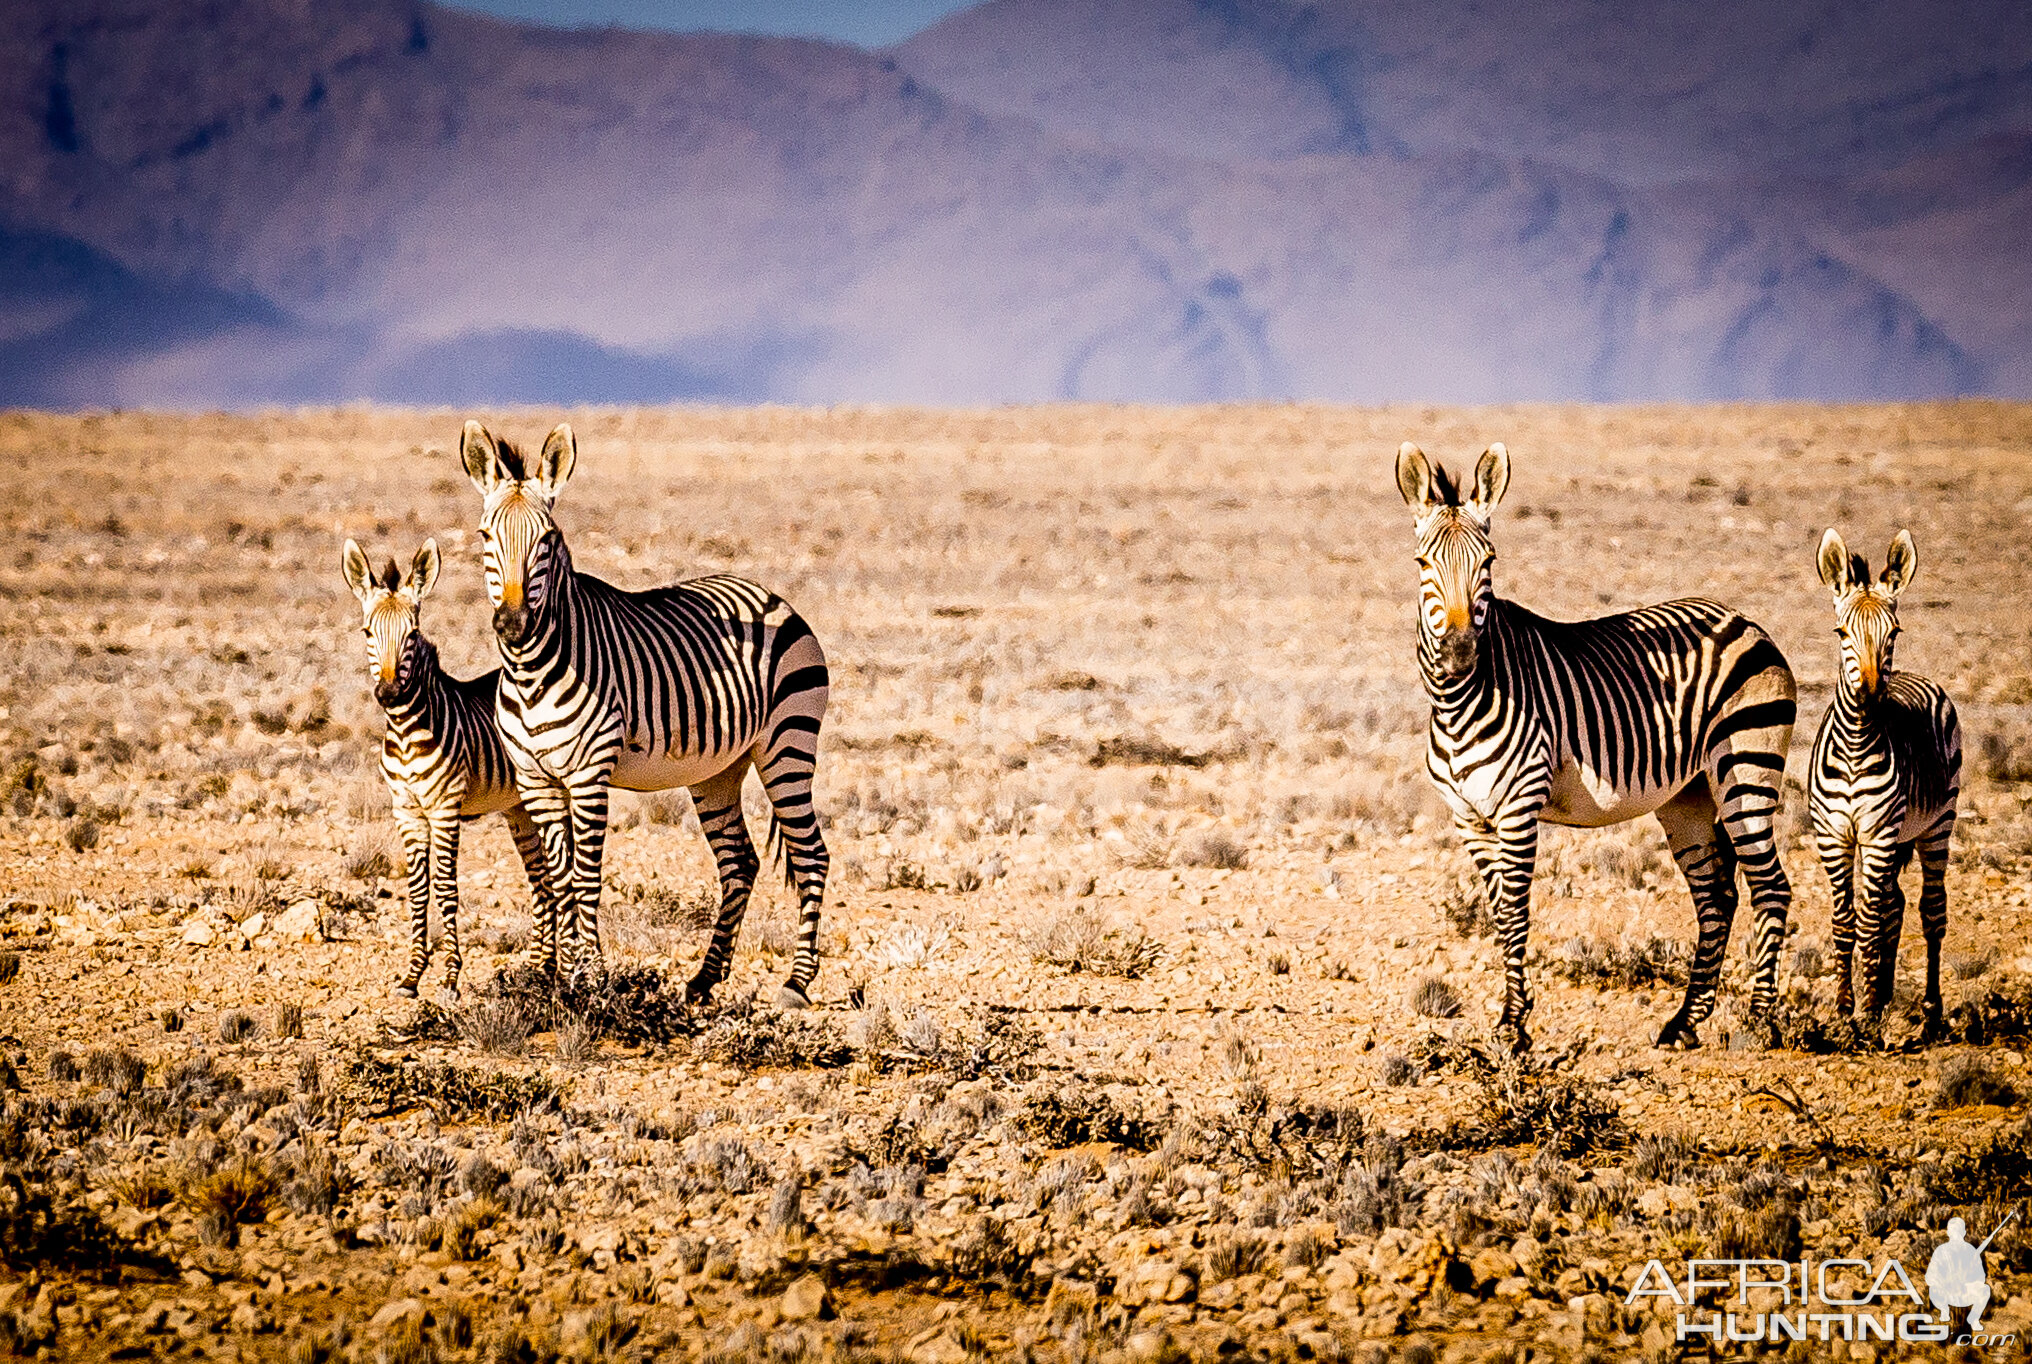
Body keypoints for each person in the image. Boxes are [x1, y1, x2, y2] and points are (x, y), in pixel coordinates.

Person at [1927, 1217, 1990, 1329]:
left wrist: (1967, 1281)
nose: (1955, 1234)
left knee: (1985, 1290)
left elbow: (1981, 1278)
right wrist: (1946, 1283)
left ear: (1964, 1233)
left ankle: (1974, 1318)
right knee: (1933, 1289)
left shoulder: (1970, 1250)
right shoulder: (1941, 1251)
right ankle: (1944, 1310)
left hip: (1965, 1293)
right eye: (1952, 1231)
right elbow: (1930, 1277)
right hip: (1946, 1294)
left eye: (1958, 1231)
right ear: (1948, 1232)